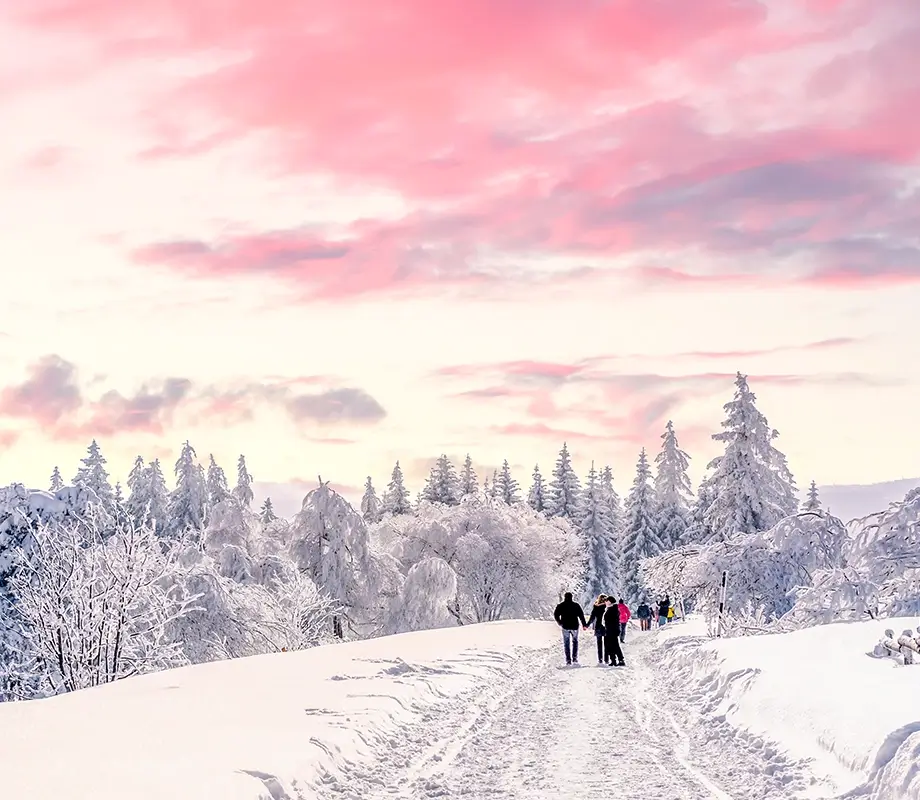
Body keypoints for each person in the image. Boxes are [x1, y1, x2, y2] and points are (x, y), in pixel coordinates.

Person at [554, 591, 588, 664]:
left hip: (565, 626)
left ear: (564, 597)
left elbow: (556, 614)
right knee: (575, 642)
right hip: (574, 626)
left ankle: (568, 660)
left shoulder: (561, 605)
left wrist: (559, 622)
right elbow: (581, 616)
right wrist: (584, 625)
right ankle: (575, 658)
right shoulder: (576, 605)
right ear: (572, 597)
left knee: (566, 643)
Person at [585, 593, 608, 664]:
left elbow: (592, 618)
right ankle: (606, 659)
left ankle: (600, 659)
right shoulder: (607, 607)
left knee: (599, 644)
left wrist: (587, 625)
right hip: (606, 627)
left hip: (598, 626)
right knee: (606, 644)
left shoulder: (596, 607)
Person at [603, 597, 625, 666]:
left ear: (610, 601)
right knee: (612, 645)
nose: (605, 602)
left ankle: (618, 659)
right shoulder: (612, 609)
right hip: (610, 630)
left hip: (612, 630)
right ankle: (615, 659)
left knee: (613, 645)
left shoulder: (613, 610)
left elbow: (613, 621)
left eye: (606, 601)